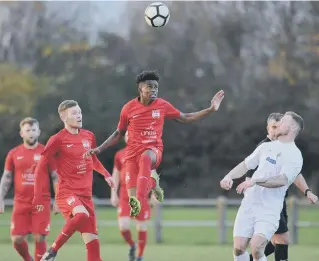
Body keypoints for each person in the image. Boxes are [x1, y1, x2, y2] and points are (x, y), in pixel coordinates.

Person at [84, 70, 225, 219]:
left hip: (153, 151)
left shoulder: (162, 105)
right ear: (140, 89)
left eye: (156, 87)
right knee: (131, 195)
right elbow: (118, 133)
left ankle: (139, 198)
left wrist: (210, 110)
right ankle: (152, 184)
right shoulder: (128, 108)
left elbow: (185, 117)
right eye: (150, 86)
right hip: (132, 154)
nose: (154, 90)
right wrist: (99, 148)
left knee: (145, 160)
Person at [221, 111, 310, 261]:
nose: (279, 123)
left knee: (256, 247)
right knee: (239, 248)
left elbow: (282, 180)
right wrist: (229, 176)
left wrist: (256, 180)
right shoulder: (265, 146)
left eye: (283, 121)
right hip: (249, 204)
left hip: (270, 208)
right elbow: (246, 164)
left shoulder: (295, 155)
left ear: (291, 128)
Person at [33, 100, 114, 261]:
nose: (79, 116)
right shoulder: (57, 139)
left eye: (80, 112)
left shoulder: (88, 136)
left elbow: (92, 160)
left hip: (86, 197)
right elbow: (41, 167)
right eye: (74, 113)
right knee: (81, 215)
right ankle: (52, 251)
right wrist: (39, 197)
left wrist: (106, 175)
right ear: (63, 117)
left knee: (94, 247)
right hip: (66, 194)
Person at [0, 117, 58, 261]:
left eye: (33, 129)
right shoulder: (14, 154)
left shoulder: (46, 152)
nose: (31, 133)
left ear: (39, 132)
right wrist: (0, 199)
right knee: (17, 239)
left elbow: (55, 177)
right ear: (21, 133)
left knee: (40, 237)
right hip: (21, 202)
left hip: (41, 202)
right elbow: (7, 177)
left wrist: (58, 199)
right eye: (27, 130)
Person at [110, 131, 160, 261]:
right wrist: (113, 193)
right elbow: (115, 175)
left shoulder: (147, 153)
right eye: (128, 134)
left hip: (142, 196)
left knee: (142, 227)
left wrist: (155, 193)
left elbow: (153, 174)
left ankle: (140, 256)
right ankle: (132, 245)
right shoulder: (120, 155)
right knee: (123, 226)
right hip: (125, 196)